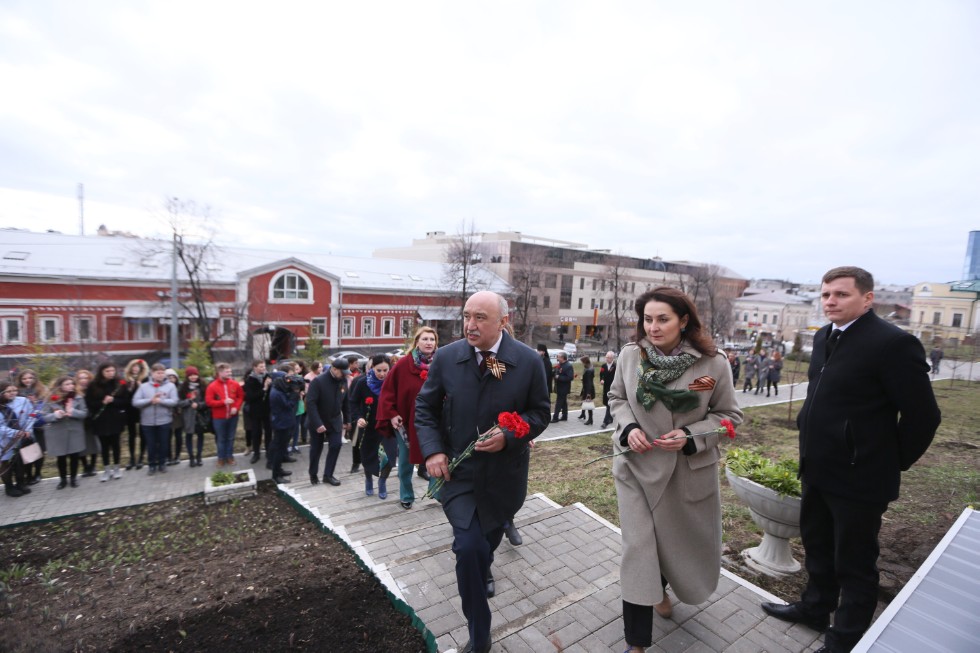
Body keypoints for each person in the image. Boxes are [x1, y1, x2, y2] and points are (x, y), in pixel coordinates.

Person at [761, 266, 941, 653]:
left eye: (841, 295)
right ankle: (814, 609)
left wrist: (889, 462)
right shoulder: (826, 336)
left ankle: (845, 639)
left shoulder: (893, 344)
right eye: (826, 295)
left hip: (860, 480)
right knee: (819, 547)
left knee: (854, 564)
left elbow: (924, 416)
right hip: (818, 467)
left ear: (867, 297)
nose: (830, 302)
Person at [608, 287, 742, 653]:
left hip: (685, 473)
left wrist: (688, 435)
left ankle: (660, 588)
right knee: (638, 549)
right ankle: (636, 644)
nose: (653, 327)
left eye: (662, 319)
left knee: (671, 545)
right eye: (647, 319)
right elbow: (617, 399)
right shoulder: (630, 357)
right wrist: (629, 428)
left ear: (684, 321)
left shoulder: (713, 364)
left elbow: (729, 418)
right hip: (636, 469)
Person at [416, 291, 551, 653]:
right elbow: (425, 409)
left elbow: (539, 414)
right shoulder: (447, 358)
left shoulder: (526, 361)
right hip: (458, 476)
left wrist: (509, 436)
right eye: (466, 316)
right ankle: (479, 634)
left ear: (503, 322)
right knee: (469, 546)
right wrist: (433, 451)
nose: (470, 325)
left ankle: (485, 564)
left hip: (504, 479)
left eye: (480, 318)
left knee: (484, 545)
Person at [376, 326, 438, 510]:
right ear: (417, 342)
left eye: (432, 339)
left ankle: (437, 491)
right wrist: (392, 414)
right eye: (425, 339)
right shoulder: (403, 364)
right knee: (405, 462)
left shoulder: (440, 364)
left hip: (433, 422)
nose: (429, 343)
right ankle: (406, 495)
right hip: (406, 423)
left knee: (436, 456)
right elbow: (387, 392)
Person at [350, 354, 395, 498]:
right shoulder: (363, 382)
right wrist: (359, 417)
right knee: (367, 455)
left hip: (388, 426)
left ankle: (382, 481)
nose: (382, 374)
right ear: (372, 368)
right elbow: (353, 402)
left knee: (389, 456)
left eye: (385, 370)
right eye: (379, 370)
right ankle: (368, 479)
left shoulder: (393, 382)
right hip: (368, 427)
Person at [305, 357, 351, 486]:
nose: (344, 375)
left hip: (335, 420)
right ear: (334, 369)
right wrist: (318, 423)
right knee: (316, 449)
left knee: (336, 445)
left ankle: (328, 475)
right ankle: (313, 475)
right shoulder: (318, 381)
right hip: (318, 421)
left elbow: (346, 402)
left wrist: (348, 420)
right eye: (342, 372)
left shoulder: (343, 381)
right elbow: (311, 403)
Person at [42, 375, 90, 489]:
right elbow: (44, 416)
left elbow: (84, 413)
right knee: (61, 457)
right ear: (60, 386)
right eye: (67, 384)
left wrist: (73, 411)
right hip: (58, 432)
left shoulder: (78, 397)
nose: (71, 386)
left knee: (74, 456)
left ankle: (73, 478)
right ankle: (63, 479)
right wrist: (55, 415)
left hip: (74, 432)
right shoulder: (50, 399)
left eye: (72, 384)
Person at [85, 362, 129, 481]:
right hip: (100, 420)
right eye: (107, 371)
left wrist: (113, 400)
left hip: (115, 419)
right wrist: (102, 403)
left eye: (112, 371)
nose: (111, 373)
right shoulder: (93, 385)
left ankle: (116, 468)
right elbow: (89, 403)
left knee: (116, 445)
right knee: (104, 446)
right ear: (101, 372)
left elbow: (125, 401)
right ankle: (106, 469)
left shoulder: (119, 384)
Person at [131, 363, 178, 475]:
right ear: (152, 373)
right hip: (147, 422)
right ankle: (152, 465)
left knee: (163, 444)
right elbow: (135, 402)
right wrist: (149, 400)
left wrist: (161, 401)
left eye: (162, 373)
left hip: (164, 421)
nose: (160, 375)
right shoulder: (144, 386)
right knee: (151, 445)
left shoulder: (170, 386)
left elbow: (174, 401)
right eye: (158, 373)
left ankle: (162, 464)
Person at [268, 363, 302, 484]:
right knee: (279, 449)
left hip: (285, 421)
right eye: (285, 379)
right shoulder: (276, 393)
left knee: (282, 449)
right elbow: (289, 405)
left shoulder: (278, 388)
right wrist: (295, 393)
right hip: (281, 424)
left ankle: (279, 469)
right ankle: (276, 475)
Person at [205, 362, 244, 466]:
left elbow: (240, 397)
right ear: (219, 373)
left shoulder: (234, 384)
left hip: (233, 417)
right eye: (227, 372)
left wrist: (236, 407)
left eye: (230, 371)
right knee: (221, 438)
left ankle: (229, 456)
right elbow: (209, 402)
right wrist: (223, 402)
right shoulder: (212, 386)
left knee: (231, 437)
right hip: (218, 418)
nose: (229, 373)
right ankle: (221, 458)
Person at [1, 381, 35, 497]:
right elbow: (1, 428)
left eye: (14, 390)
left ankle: (20, 483)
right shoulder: (2, 407)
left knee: (19, 461)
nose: (12, 393)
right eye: (8, 391)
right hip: (4, 441)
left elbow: (31, 415)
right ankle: (9, 487)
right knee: (6, 463)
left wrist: (26, 430)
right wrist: (17, 433)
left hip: (19, 438)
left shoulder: (20, 402)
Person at [15, 369, 48, 483]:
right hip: (26, 427)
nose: (27, 380)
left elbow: (46, 407)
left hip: (39, 426)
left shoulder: (42, 390)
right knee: (28, 451)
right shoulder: (18, 392)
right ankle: (29, 475)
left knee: (40, 451)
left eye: (30, 378)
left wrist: (35, 403)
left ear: (35, 378)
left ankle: (38, 473)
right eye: (24, 378)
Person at [177, 366, 209, 467]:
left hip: (199, 416)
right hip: (188, 417)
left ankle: (199, 457)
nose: (193, 377)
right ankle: (191, 457)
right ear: (187, 376)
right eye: (190, 375)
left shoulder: (203, 386)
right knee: (189, 436)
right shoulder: (183, 387)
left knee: (200, 436)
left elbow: (207, 401)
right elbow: (179, 403)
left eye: (195, 374)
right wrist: (189, 400)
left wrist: (199, 405)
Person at [243, 360, 272, 464]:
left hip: (267, 409)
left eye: (264, 366)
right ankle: (256, 453)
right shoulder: (250, 380)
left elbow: (271, 393)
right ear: (254, 367)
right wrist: (264, 389)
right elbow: (250, 397)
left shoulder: (267, 376)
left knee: (268, 431)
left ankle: (269, 451)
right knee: (256, 433)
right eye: (260, 367)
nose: (263, 368)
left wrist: (270, 386)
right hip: (255, 411)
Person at [122, 359, 149, 470]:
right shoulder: (126, 381)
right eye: (133, 367)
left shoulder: (145, 380)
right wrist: (129, 388)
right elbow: (123, 397)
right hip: (130, 410)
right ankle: (132, 458)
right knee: (131, 435)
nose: (135, 369)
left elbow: (147, 395)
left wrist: (140, 385)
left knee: (143, 435)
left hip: (142, 410)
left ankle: (141, 458)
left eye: (137, 367)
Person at [75, 369, 100, 477]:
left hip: (92, 421)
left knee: (93, 443)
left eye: (86, 378)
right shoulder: (75, 392)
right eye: (81, 378)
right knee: (81, 445)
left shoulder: (94, 390)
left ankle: (93, 466)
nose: (83, 380)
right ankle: (85, 466)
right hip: (80, 422)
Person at [164, 368, 183, 466]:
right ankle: (168, 457)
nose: (171, 379)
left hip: (178, 416)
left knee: (178, 436)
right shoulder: (164, 388)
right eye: (169, 377)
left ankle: (177, 456)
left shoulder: (180, 387)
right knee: (167, 437)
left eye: (173, 377)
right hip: (167, 415)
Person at [552, 352, 573, 422]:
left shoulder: (568, 366)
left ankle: (555, 417)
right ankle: (564, 416)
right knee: (563, 402)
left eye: (558, 357)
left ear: (562, 358)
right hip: (559, 386)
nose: (557, 358)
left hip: (564, 387)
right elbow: (557, 371)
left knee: (558, 402)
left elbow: (570, 377)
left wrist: (559, 377)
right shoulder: (560, 364)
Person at [599, 351, 617, 428]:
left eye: (609, 358)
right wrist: (601, 380)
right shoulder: (603, 366)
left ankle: (605, 422)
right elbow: (601, 374)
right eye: (606, 357)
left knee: (609, 404)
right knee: (607, 403)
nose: (607, 359)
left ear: (612, 358)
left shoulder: (615, 366)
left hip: (613, 388)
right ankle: (610, 418)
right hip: (605, 387)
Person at [577, 355, 596, 425]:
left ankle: (590, 419)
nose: (582, 363)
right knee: (584, 401)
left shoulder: (588, 370)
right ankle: (583, 414)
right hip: (587, 388)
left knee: (588, 404)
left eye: (582, 362)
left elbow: (589, 383)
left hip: (588, 389)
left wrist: (588, 393)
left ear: (585, 361)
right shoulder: (590, 367)